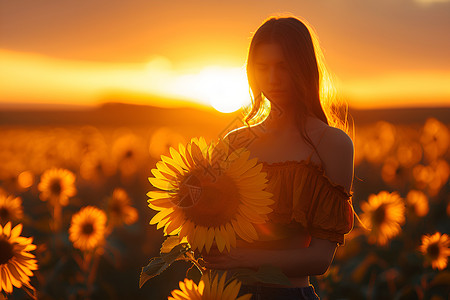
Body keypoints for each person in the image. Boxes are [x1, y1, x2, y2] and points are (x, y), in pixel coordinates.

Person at [202, 16, 355, 300]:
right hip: (227, 293)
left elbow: (320, 259)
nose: (273, 78)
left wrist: (241, 259)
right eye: (263, 67)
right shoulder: (234, 142)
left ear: (304, 68)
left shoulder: (332, 144)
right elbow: (208, 225)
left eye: (283, 66)